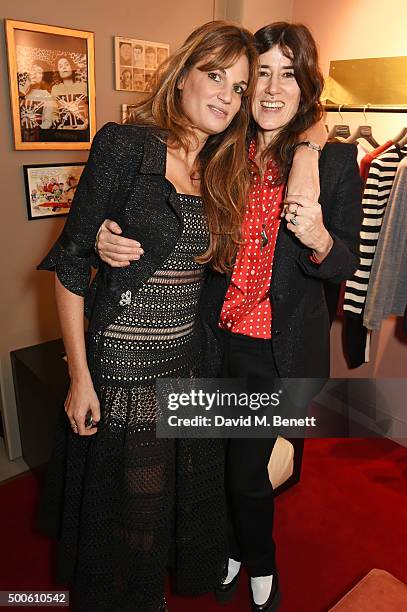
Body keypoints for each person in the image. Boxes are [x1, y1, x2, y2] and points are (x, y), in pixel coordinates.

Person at [96, 22, 362, 612]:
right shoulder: (223, 145)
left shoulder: (336, 161)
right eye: (260, 74)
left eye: (288, 74)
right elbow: (162, 205)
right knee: (212, 464)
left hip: (278, 350)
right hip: (209, 339)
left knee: (246, 472)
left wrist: (318, 236)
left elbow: (345, 259)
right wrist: (104, 235)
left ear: (306, 85)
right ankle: (233, 547)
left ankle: (259, 563)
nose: (270, 88)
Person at [37, 21, 258, 612]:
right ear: (183, 75)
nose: (226, 96)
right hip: (122, 370)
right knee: (130, 518)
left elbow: (303, 113)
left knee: (168, 510)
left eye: (239, 87)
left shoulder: (220, 168)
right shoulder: (127, 146)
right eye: (216, 76)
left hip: (184, 367)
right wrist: (79, 378)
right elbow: (69, 263)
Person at [51, 56, 88, 130]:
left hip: (84, 130)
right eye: (60, 66)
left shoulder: (83, 86)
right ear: (58, 71)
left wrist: (86, 124)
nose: (64, 67)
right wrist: (59, 127)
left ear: (72, 67)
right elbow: (53, 112)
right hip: (63, 131)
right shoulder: (55, 89)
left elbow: (90, 108)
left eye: (66, 64)